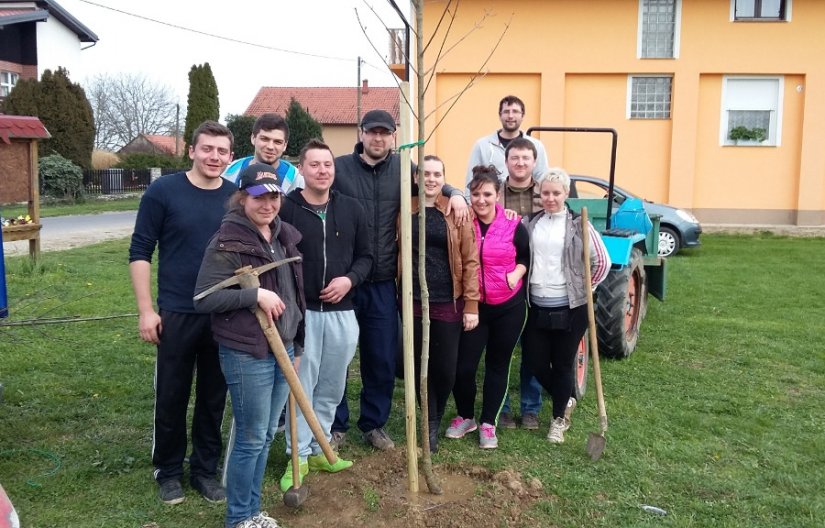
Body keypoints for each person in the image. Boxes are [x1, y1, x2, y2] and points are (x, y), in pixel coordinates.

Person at [330, 109, 469, 451]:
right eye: (372, 132)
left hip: (383, 283)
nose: (378, 138)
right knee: (338, 357)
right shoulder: (340, 169)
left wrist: (457, 193)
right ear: (361, 133)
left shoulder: (402, 168)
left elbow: (431, 181)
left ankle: (373, 424)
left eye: (385, 133)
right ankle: (336, 423)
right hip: (345, 280)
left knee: (381, 357)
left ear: (393, 136)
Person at [128, 120, 235, 505]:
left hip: (222, 314)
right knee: (171, 394)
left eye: (222, 151)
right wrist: (145, 310)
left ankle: (204, 470)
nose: (215, 157)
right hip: (176, 312)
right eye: (208, 149)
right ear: (191, 150)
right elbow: (140, 251)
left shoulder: (235, 196)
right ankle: (168, 470)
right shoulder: (163, 192)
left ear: (230, 156)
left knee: (213, 396)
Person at [193, 163, 305, 528]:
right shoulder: (228, 240)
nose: (268, 204)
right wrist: (254, 295)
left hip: (282, 345)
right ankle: (240, 517)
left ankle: (253, 511)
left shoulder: (283, 235)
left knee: (264, 434)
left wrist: (297, 342)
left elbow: (295, 292)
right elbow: (204, 299)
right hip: (248, 351)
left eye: (274, 196)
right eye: (259, 197)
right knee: (251, 437)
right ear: (242, 197)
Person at [277, 139, 372, 489]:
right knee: (302, 386)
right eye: (314, 165)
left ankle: (320, 446)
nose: (322, 171)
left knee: (333, 384)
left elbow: (367, 257)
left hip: (342, 310)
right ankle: (297, 458)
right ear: (301, 169)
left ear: (335, 169)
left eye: (327, 165)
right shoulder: (286, 209)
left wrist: (349, 280)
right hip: (302, 314)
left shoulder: (352, 209)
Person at [522, 168, 611, 444]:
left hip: (571, 308)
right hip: (537, 305)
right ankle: (567, 397)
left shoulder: (578, 224)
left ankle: (558, 420)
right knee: (535, 362)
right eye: (545, 193)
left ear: (566, 194)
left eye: (556, 193)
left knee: (562, 364)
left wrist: (585, 289)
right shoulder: (531, 223)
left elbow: (603, 263)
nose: (550, 198)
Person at [446, 165, 529, 449]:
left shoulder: (513, 223)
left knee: (497, 364)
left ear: (498, 194)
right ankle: (466, 416)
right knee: (463, 366)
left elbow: (525, 258)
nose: (481, 200)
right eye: (476, 194)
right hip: (474, 308)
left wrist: (515, 275)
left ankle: (488, 423)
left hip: (508, 307)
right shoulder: (462, 219)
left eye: (487, 194)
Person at [405, 155, 480, 453]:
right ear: (416, 178)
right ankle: (429, 424)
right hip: (412, 301)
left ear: (444, 179)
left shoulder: (455, 212)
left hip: (448, 300)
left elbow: (471, 260)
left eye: (437, 174)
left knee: (446, 368)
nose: (431, 179)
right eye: (425, 174)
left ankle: (433, 417)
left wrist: (471, 303)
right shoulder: (405, 209)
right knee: (416, 364)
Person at [497, 137, 545, 430]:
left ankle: (531, 408)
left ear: (534, 162)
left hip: (539, 282)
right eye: (515, 158)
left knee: (534, 349)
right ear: (507, 162)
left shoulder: (547, 193)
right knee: (503, 348)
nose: (520, 163)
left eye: (526, 158)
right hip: (504, 281)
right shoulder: (494, 193)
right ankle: (502, 406)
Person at [464, 95, 549, 189]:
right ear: (500, 115)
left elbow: (542, 179)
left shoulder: (536, 146)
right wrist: (469, 202)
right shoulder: (482, 146)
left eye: (515, 111)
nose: (511, 116)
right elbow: (471, 182)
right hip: (492, 203)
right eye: (506, 111)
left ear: (523, 115)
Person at [223, 113, 304, 194]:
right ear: (253, 138)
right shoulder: (228, 173)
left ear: (285, 145)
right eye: (265, 139)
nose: (270, 147)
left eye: (277, 142)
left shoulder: (298, 179)